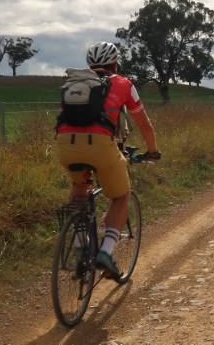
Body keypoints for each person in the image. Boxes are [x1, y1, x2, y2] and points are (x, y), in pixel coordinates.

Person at [55, 41, 160, 277]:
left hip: (65, 144)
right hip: (101, 146)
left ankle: (82, 246)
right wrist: (153, 150)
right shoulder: (123, 83)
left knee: (79, 187)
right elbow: (144, 124)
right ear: (115, 63)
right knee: (121, 196)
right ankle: (106, 252)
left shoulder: (74, 83)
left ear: (90, 64)